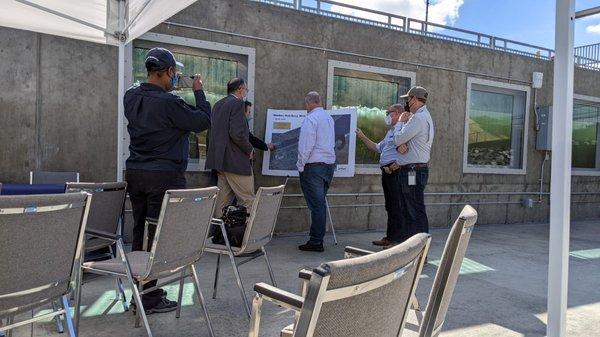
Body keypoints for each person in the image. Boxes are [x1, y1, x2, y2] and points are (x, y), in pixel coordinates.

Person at [124, 47, 211, 313]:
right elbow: (202, 120)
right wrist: (197, 90)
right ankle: (148, 297)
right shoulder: (169, 103)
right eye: (174, 74)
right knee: (158, 236)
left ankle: (139, 293)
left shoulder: (131, 96)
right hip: (163, 176)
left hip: (136, 173)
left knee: (140, 232)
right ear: (169, 72)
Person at [355, 103, 407, 248]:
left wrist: (394, 166)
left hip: (395, 172)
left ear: (396, 113)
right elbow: (377, 148)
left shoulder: (403, 130)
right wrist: (362, 136)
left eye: (388, 113)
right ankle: (390, 237)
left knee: (397, 206)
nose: (386, 116)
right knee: (390, 206)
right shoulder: (391, 131)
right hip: (386, 172)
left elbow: (406, 152)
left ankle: (397, 241)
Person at [206, 78, 255, 216]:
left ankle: (220, 235)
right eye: (246, 89)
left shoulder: (218, 104)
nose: (246, 92)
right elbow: (237, 133)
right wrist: (249, 148)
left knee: (222, 203)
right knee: (248, 200)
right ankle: (244, 237)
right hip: (236, 162)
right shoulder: (238, 103)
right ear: (240, 89)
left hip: (220, 162)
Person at [297, 91, 336, 252]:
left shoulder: (310, 118)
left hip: (313, 167)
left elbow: (306, 145)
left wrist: (300, 165)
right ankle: (317, 238)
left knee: (317, 206)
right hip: (328, 166)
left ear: (309, 103)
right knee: (320, 204)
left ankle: (315, 241)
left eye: (306, 104)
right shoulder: (329, 118)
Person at [394, 86, 435, 238]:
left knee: (413, 211)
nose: (407, 102)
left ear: (415, 99)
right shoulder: (424, 116)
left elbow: (398, 138)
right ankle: (414, 251)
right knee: (412, 209)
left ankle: (418, 252)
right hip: (416, 169)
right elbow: (403, 142)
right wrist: (400, 145)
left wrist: (399, 122)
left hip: (412, 171)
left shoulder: (417, 118)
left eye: (408, 99)